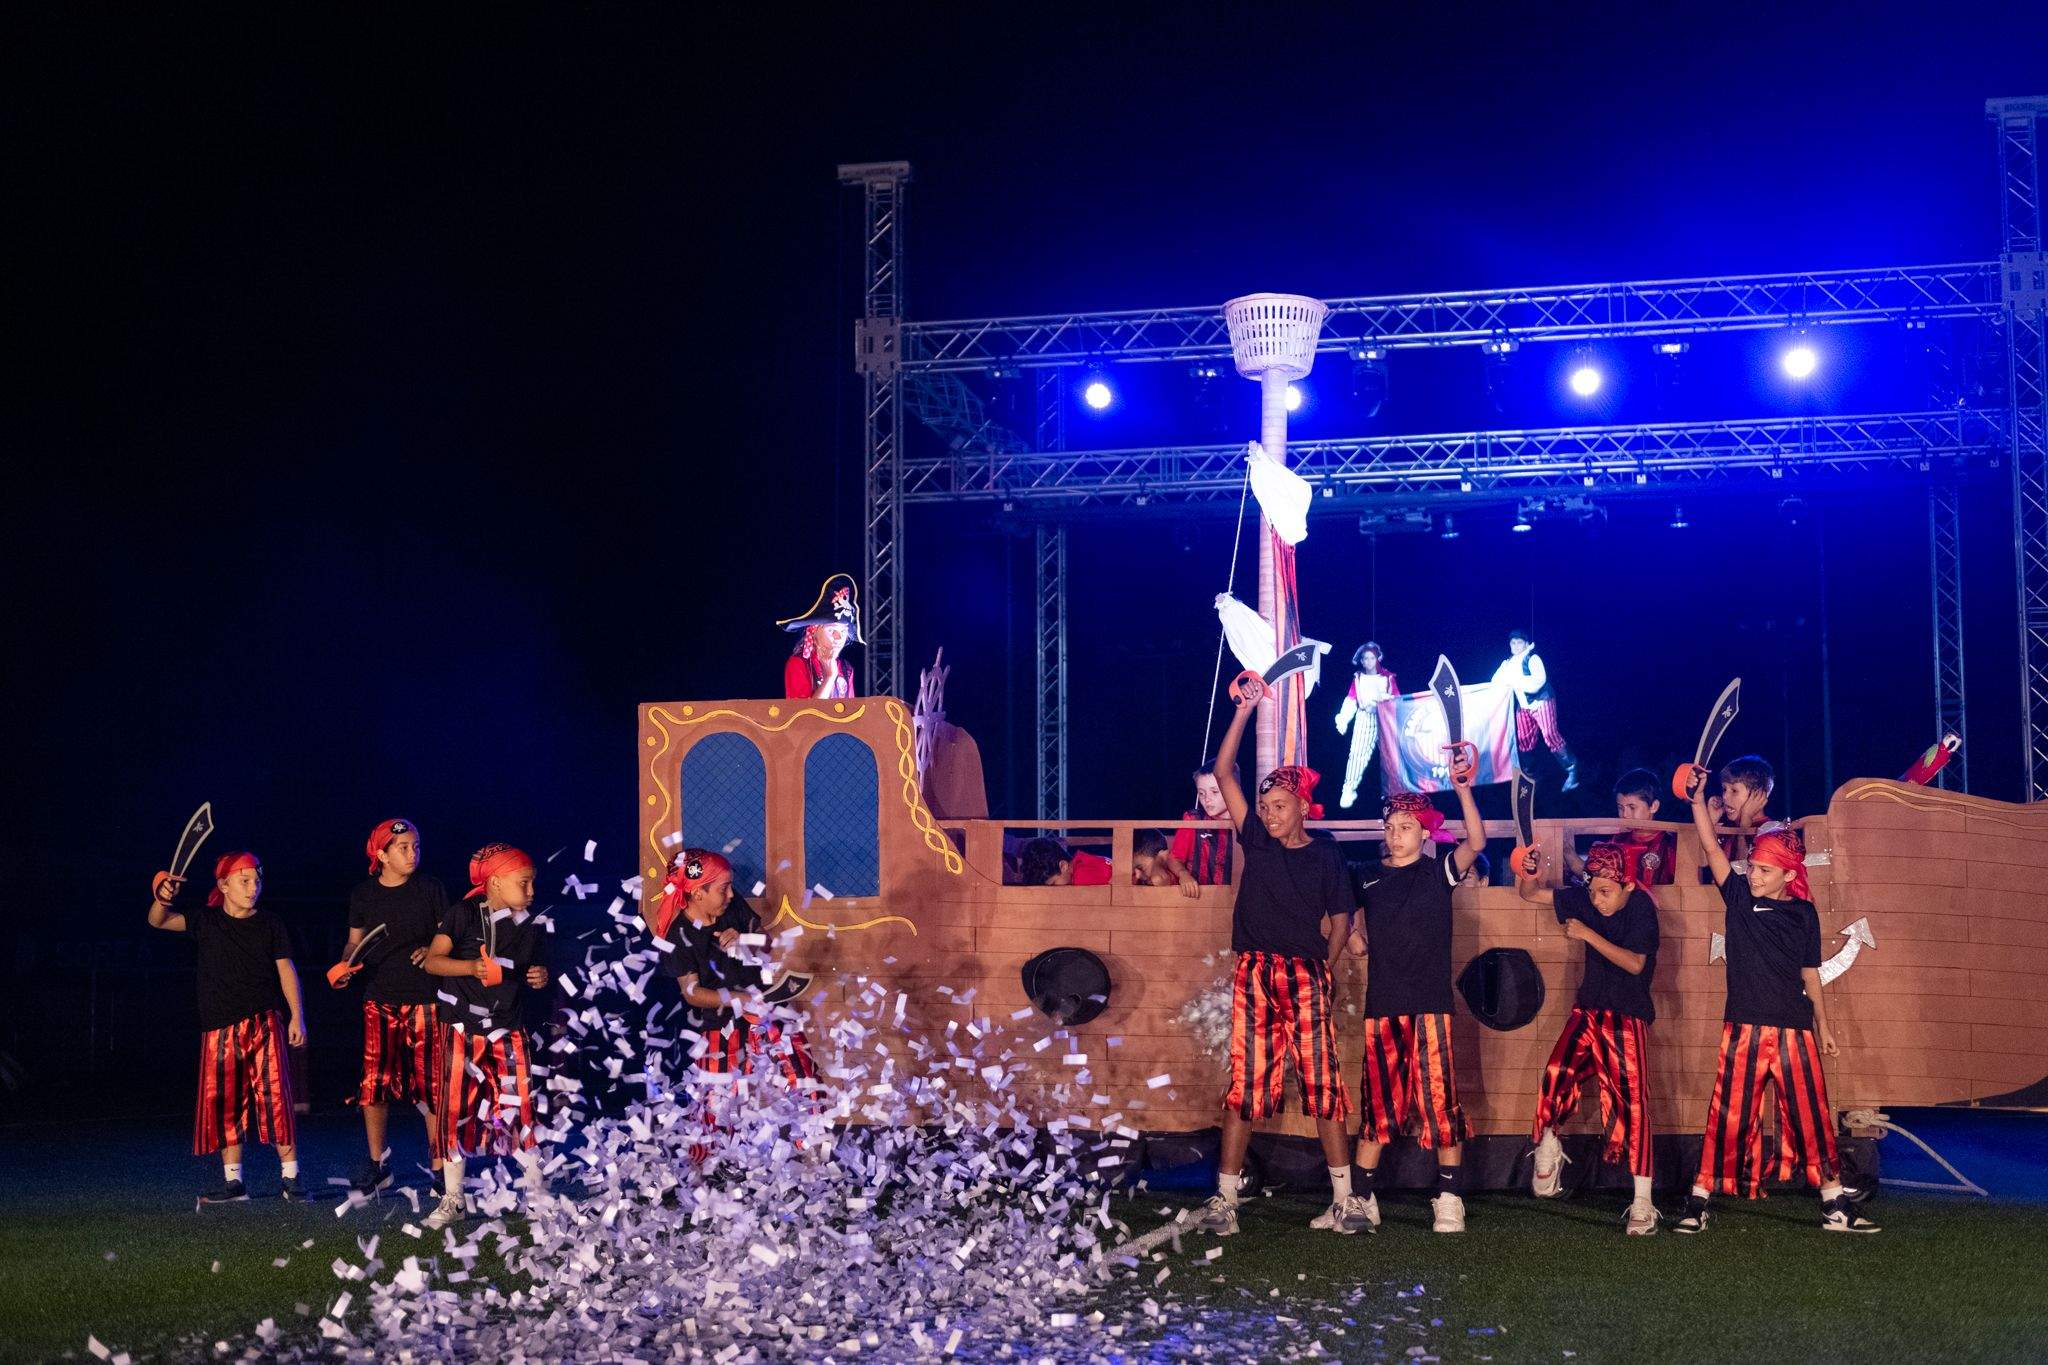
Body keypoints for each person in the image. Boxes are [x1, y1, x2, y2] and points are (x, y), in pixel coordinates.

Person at [1188, 682, 1360, 1237]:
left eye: (1279, 806)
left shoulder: (1327, 855)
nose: (1269, 813)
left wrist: (1326, 967)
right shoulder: (1256, 840)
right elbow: (1222, 769)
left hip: (1307, 977)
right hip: (1255, 974)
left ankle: (1344, 1201)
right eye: (1264, 807)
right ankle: (1225, 1201)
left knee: (1324, 1085)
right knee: (1245, 1085)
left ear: (1302, 809)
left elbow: (1342, 921)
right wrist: (1241, 711)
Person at [1670, 791, 1877, 1233]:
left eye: (1765, 870)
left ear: (1789, 873)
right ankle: (1698, 1200)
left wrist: (1823, 1026)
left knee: (1812, 1117)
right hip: (1744, 1028)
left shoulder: (1804, 913)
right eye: (1753, 867)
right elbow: (1710, 848)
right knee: (1727, 1114)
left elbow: (1810, 973)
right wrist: (1695, 801)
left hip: (1795, 1032)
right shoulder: (1741, 900)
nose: (1755, 875)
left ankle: (1834, 1205)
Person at [1344, 780, 1486, 1233]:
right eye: (1389, 826)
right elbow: (1338, 906)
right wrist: (1352, 933)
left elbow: (1477, 841)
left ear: (1424, 832)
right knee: (1378, 1106)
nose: (1395, 834)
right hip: (1382, 1004)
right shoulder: (1366, 874)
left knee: (1440, 1104)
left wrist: (1463, 789)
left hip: (1430, 1006)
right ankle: (1360, 1200)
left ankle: (1449, 1198)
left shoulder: (1438, 871)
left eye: (1405, 827)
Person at [1516, 843, 1661, 1235]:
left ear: (1628, 885)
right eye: (1593, 890)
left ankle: (1643, 1204)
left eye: (1605, 892)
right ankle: (1548, 1144)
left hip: (1626, 1018)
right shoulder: (1586, 896)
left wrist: (1587, 934)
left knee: (1633, 1106)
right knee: (1555, 1072)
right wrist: (1525, 868)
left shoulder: (1641, 908)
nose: (1596, 900)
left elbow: (1635, 964)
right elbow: (1530, 893)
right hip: (1588, 1010)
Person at [147, 852, 306, 1203]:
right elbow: (158, 921)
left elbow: (286, 970)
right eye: (244, 880)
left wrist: (297, 1015)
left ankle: (291, 1179)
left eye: (257, 880)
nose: (253, 887)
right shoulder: (205, 920)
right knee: (225, 1105)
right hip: (218, 1028)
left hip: (264, 1022)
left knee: (276, 1098)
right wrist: (162, 897)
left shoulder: (270, 923)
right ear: (223, 885)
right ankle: (234, 1183)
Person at [420, 844, 552, 1232]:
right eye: (523, 883)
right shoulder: (462, 914)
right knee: (452, 1111)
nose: (530, 891)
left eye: (532, 883)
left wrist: (538, 977)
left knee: (523, 1108)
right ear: (494, 882)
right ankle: (454, 1198)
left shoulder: (531, 923)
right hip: (461, 1029)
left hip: (509, 1028)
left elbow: (536, 969)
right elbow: (432, 960)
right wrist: (471, 967)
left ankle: (535, 1195)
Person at [651, 849, 816, 1141]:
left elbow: (766, 941)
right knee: (716, 1107)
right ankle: (707, 1170)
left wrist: (746, 939)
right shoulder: (679, 936)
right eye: (722, 888)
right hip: (721, 1025)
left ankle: (815, 1154)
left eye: (730, 886)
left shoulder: (733, 906)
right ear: (698, 894)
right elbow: (692, 993)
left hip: (766, 1010)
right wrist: (736, 999)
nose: (730, 894)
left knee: (804, 1078)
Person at [338, 818, 448, 1196]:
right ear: (381, 854)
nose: (412, 853)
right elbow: (353, 944)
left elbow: (448, 936)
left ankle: (439, 1169)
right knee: (374, 1087)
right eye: (402, 847)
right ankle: (378, 1165)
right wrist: (345, 965)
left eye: (415, 845)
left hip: (426, 1000)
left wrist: (434, 948)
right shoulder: (364, 895)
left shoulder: (431, 888)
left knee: (432, 1087)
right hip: (379, 1001)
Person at [1491, 629, 1579, 791]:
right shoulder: (1507, 664)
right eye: (1513, 642)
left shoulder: (1532, 658)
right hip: (1523, 706)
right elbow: (1496, 682)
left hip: (1541, 701)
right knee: (1524, 740)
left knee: (1550, 735)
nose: (1516, 645)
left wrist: (1515, 681)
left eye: (1519, 642)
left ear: (1525, 643)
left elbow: (1539, 681)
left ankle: (1571, 769)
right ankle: (1530, 774)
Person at [1566, 769, 1676, 887]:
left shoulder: (1670, 844)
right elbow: (1597, 882)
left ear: (1653, 806)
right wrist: (1569, 856)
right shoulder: (1618, 840)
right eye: (1620, 807)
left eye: (1632, 807)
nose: (1625, 815)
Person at [778, 573, 863, 700]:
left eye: (843, 631)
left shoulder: (846, 669)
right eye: (831, 630)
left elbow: (851, 715)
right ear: (813, 631)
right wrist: (829, 677)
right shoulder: (799, 664)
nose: (839, 637)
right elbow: (804, 716)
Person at [1334, 642, 1397, 810]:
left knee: (1391, 754)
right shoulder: (1358, 678)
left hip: (1385, 716)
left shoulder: (1388, 678)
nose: (1368, 662)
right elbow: (1351, 700)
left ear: (1377, 659)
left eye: (1371, 658)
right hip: (1365, 717)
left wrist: (1387, 699)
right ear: (1361, 660)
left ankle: (1395, 790)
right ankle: (1349, 789)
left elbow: (1397, 699)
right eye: (1365, 658)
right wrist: (1343, 719)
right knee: (1357, 753)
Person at [1168, 762, 1237, 885]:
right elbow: (1174, 858)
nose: (1207, 799)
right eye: (1201, 793)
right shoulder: (1193, 820)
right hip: (1199, 899)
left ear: (1234, 788)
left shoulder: (1245, 824)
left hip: (1235, 899)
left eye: (1214, 792)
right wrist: (1183, 874)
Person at [1018, 836, 1112, 887]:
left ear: (1063, 866)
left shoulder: (1081, 876)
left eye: (1053, 884)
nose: (1053, 890)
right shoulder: (1081, 861)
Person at [1133, 830, 1200, 896]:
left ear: (1163, 856)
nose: (1137, 876)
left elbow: (1159, 878)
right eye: (1133, 872)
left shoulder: (1182, 871)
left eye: (1141, 868)